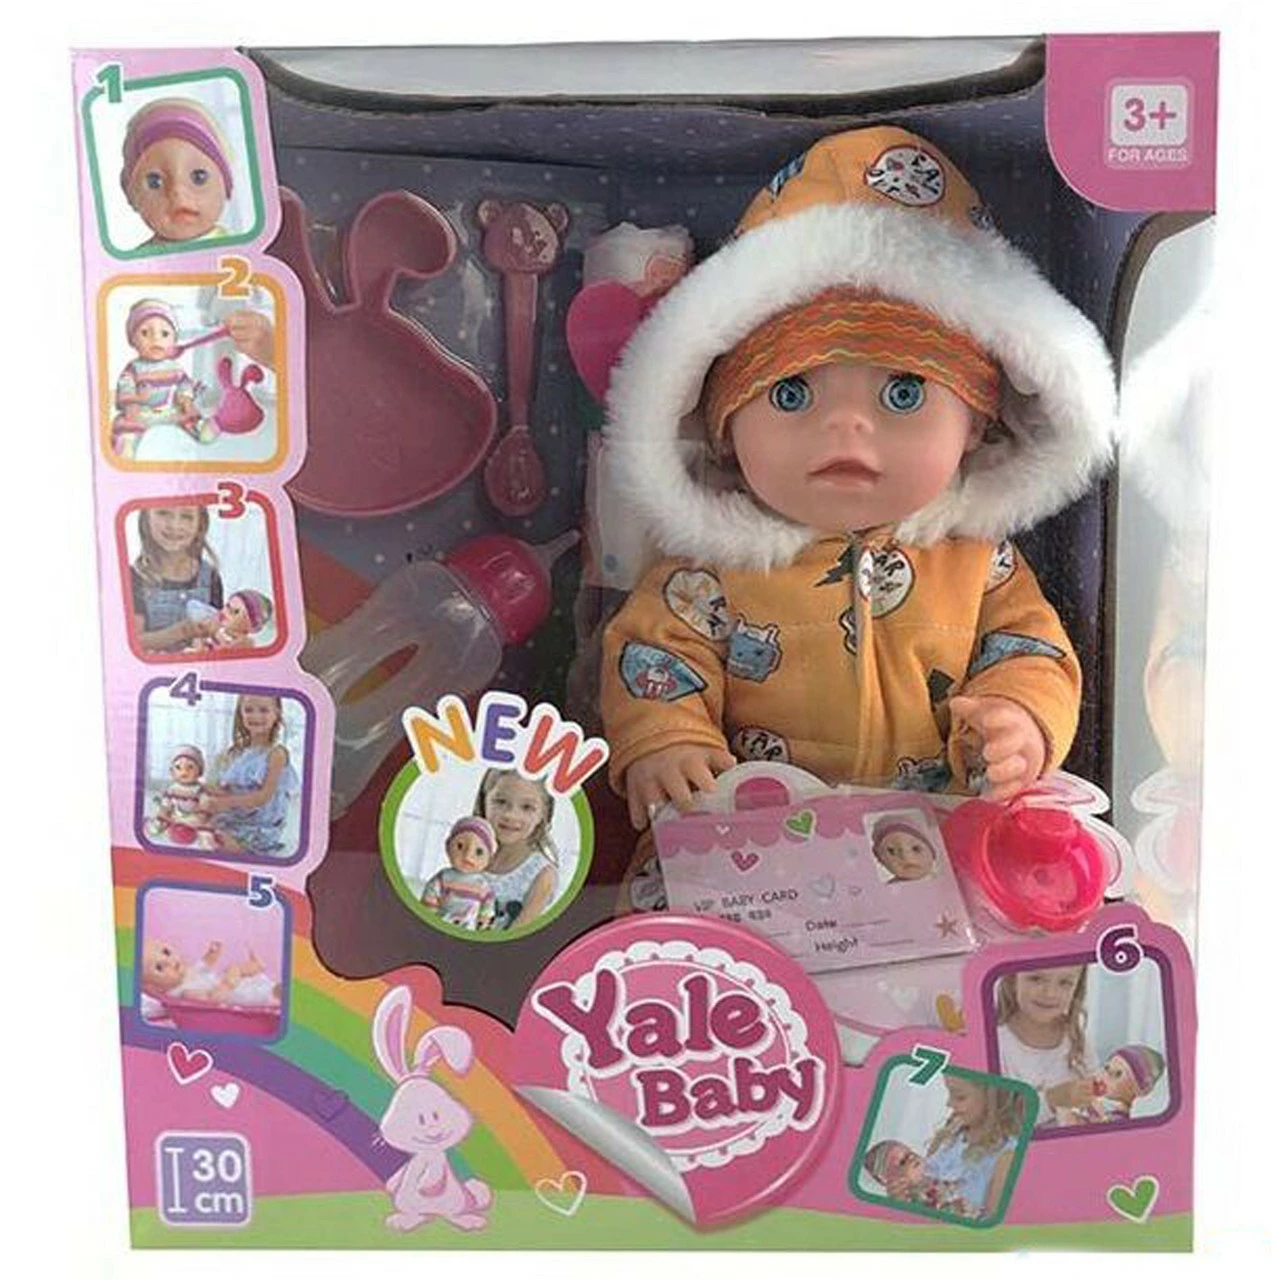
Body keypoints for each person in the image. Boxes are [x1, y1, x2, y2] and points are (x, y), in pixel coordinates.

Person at [600, 125, 1115, 831]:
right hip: (745, 846)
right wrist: (667, 743)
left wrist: (1017, 719)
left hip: (928, 843)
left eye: (903, 393)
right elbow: (654, 657)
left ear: (977, 425)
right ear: (722, 429)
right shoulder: (710, 570)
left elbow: (1032, 652)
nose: (846, 426)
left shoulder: (978, 564)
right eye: (791, 394)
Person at [121, 98, 233, 247]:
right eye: (155, 182)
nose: (177, 192)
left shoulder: (245, 248)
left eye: (199, 177)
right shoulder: (135, 260)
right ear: (130, 193)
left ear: (226, 183)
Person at [112, 297, 216, 457]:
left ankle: (201, 429)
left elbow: (184, 384)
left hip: (169, 409)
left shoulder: (174, 367)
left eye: (164, 334)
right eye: (145, 333)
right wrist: (135, 400)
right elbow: (126, 388)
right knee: (126, 423)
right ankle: (127, 442)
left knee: (187, 416)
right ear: (133, 340)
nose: (156, 339)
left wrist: (185, 398)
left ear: (174, 340)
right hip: (142, 411)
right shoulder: (134, 369)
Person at [994, 966, 1095, 1126]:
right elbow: (998, 1122)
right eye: (1036, 979)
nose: (1050, 993)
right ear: (1013, 980)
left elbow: (1095, 1099)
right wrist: (1051, 1100)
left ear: (1076, 988)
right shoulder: (995, 1043)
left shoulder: (1076, 1040)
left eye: (1065, 982)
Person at [916, 1075, 1026, 1221]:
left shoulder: (1007, 1157)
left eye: (960, 1097)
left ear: (993, 1100)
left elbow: (989, 1225)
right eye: (949, 1094)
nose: (949, 1103)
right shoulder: (947, 1136)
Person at [203, 694, 298, 857]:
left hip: (260, 825)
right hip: (237, 816)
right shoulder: (239, 753)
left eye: (263, 710)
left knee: (214, 838)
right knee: (200, 824)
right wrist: (205, 790)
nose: (255, 716)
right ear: (240, 713)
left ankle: (246, 853)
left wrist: (224, 803)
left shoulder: (277, 753)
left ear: (276, 713)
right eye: (248, 710)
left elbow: (263, 797)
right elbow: (234, 792)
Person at [130, 504, 224, 654]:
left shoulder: (211, 576)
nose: (175, 525)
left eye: (187, 516)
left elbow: (218, 631)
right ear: (146, 518)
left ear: (200, 524)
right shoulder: (134, 576)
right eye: (163, 513)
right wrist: (182, 631)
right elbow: (133, 641)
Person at [472, 770, 559, 929]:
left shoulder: (543, 875)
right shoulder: (469, 851)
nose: (510, 815)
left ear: (543, 814)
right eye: (500, 802)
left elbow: (519, 935)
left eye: (527, 807)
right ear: (484, 801)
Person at [421, 817, 498, 931]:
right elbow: (430, 895)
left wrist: (484, 919)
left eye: (479, 852)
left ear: (489, 859)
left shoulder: (482, 884)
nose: (467, 856)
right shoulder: (444, 878)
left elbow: (488, 903)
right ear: (448, 847)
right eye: (460, 846)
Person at [870, 820, 937, 882]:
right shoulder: (889, 888)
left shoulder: (939, 882)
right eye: (892, 851)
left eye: (916, 848)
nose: (906, 857)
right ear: (881, 860)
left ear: (932, 852)